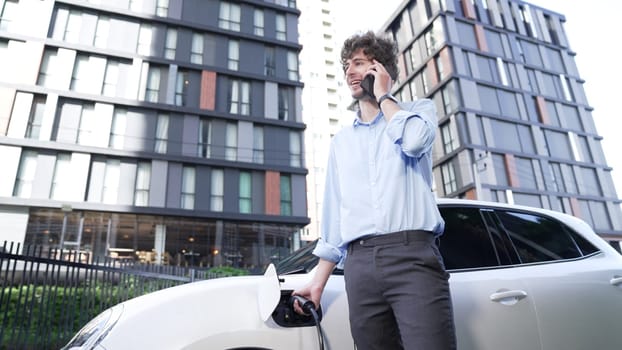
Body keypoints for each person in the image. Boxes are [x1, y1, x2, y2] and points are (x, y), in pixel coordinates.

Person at [292, 31, 457, 350]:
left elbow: (414, 142)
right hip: (359, 265)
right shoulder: (341, 142)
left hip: (412, 256)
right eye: (346, 66)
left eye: (358, 63)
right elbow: (336, 220)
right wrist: (317, 281)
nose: (349, 72)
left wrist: (384, 97)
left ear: (380, 70)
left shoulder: (416, 113)